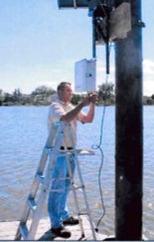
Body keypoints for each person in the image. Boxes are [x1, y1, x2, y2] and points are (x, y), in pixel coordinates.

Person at [47, 82, 97, 238]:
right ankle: (56, 224)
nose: (71, 93)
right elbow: (64, 119)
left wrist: (92, 105)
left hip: (71, 152)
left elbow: (88, 120)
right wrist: (82, 104)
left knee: (67, 185)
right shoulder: (55, 106)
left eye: (71, 91)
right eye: (68, 90)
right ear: (60, 91)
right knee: (57, 187)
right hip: (59, 152)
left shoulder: (71, 107)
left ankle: (64, 215)